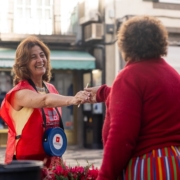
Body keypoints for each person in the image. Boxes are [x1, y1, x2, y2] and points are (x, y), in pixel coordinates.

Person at [84, 15, 180, 179]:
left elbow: (121, 137)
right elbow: (146, 99)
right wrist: (104, 92)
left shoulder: (129, 76)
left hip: (150, 165)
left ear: (126, 44)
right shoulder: (172, 74)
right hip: (173, 161)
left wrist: (105, 176)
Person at [0, 36, 87, 168]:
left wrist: (59, 160)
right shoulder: (19, 93)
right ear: (24, 64)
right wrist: (73, 99)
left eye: (42, 55)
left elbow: (55, 126)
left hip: (51, 161)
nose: (40, 60)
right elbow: (44, 100)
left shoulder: (51, 88)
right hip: (25, 164)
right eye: (33, 57)